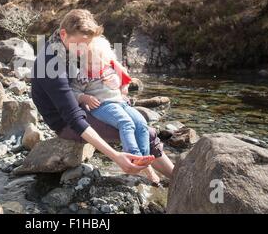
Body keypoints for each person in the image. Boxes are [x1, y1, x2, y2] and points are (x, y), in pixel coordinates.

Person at [31, 9, 174, 178]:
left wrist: (119, 81)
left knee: (141, 127)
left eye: (87, 44)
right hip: (65, 121)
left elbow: (105, 60)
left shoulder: (69, 43)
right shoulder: (51, 63)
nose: (84, 50)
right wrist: (115, 156)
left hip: (89, 103)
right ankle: (173, 177)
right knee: (142, 131)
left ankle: (157, 172)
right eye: (81, 45)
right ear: (63, 34)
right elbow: (74, 118)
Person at [69, 35, 161, 184]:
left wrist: (122, 88)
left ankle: (145, 163)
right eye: (88, 61)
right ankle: (134, 157)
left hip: (120, 103)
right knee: (126, 123)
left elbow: (123, 83)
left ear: (105, 59)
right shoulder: (83, 75)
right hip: (102, 105)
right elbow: (73, 92)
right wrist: (84, 98)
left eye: (96, 61)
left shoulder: (110, 69)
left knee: (142, 124)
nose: (91, 65)